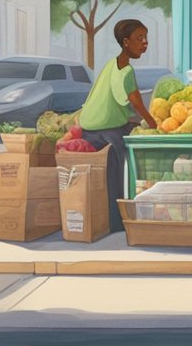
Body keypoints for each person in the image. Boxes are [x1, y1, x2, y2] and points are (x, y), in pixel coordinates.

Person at [78, 19, 158, 231]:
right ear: (125, 42)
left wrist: (134, 119)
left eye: (146, 38)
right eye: (139, 38)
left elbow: (118, 100)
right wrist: (152, 123)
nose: (145, 43)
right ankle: (118, 221)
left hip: (89, 127)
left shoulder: (112, 64)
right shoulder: (126, 70)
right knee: (122, 169)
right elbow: (135, 102)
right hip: (105, 130)